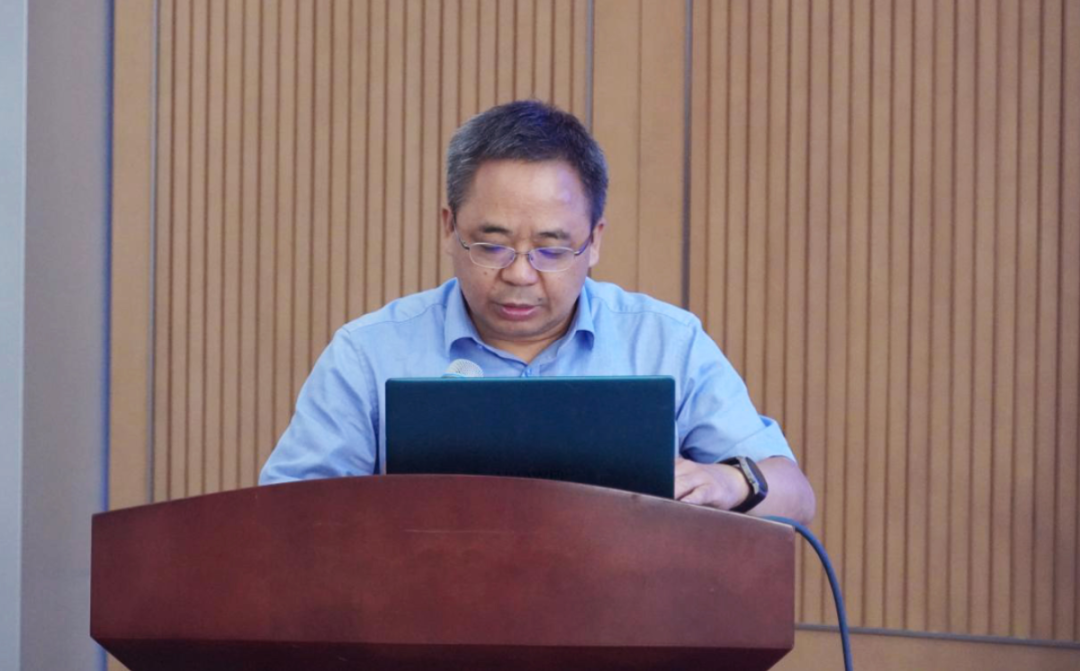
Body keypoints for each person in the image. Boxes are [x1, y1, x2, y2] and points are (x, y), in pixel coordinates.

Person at [259, 100, 816, 524]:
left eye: (551, 249)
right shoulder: (370, 352)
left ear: (594, 241)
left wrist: (730, 483)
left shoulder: (665, 341)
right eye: (492, 245)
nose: (520, 274)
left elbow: (794, 494)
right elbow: (282, 516)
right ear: (449, 229)